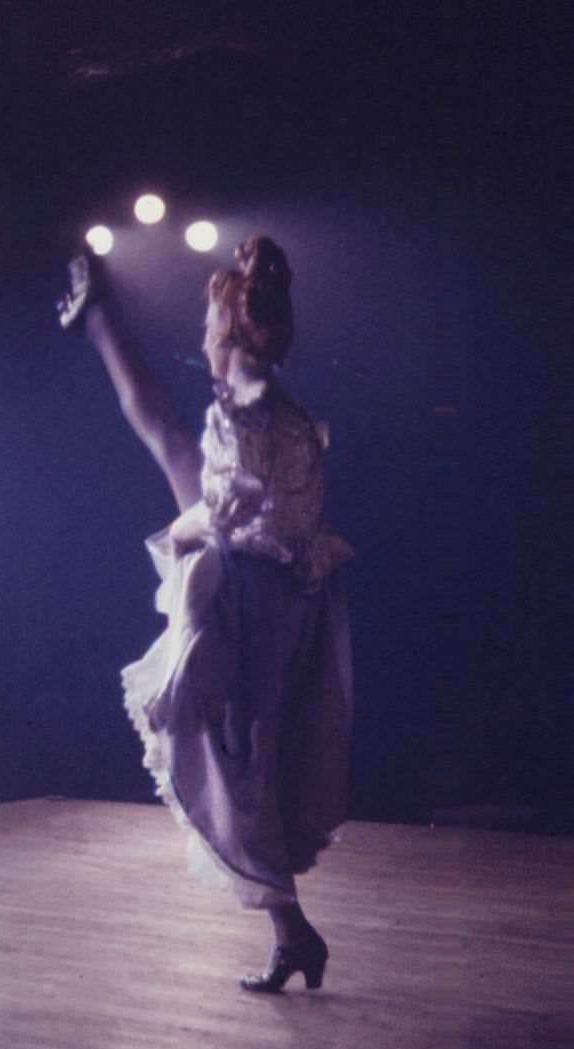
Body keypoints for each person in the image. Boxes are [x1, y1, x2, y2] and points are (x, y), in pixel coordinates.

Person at [57, 236, 354, 992]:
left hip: (251, 596)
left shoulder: (247, 407)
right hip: (277, 591)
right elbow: (172, 439)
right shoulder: (279, 409)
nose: (201, 341)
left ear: (226, 335)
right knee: (238, 767)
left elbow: (227, 502)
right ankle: (291, 935)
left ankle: (293, 933)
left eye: (207, 330)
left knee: (233, 765)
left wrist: (206, 543)